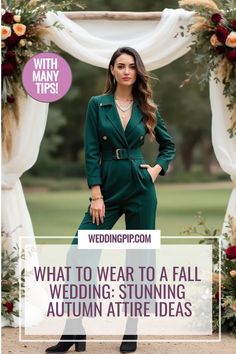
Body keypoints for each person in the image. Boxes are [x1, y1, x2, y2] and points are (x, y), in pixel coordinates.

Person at [45, 46, 176, 353]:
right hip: (106, 188)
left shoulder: (148, 107)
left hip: (141, 188)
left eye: (131, 65)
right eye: (120, 65)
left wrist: (157, 169)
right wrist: (95, 194)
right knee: (78, 254)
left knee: (139, 261)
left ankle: (131, 330)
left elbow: (168, 146)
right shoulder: (97, 105)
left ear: (137, 71)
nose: (126, 70)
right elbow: (91, 151)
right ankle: (73, 329)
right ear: (112, 71)